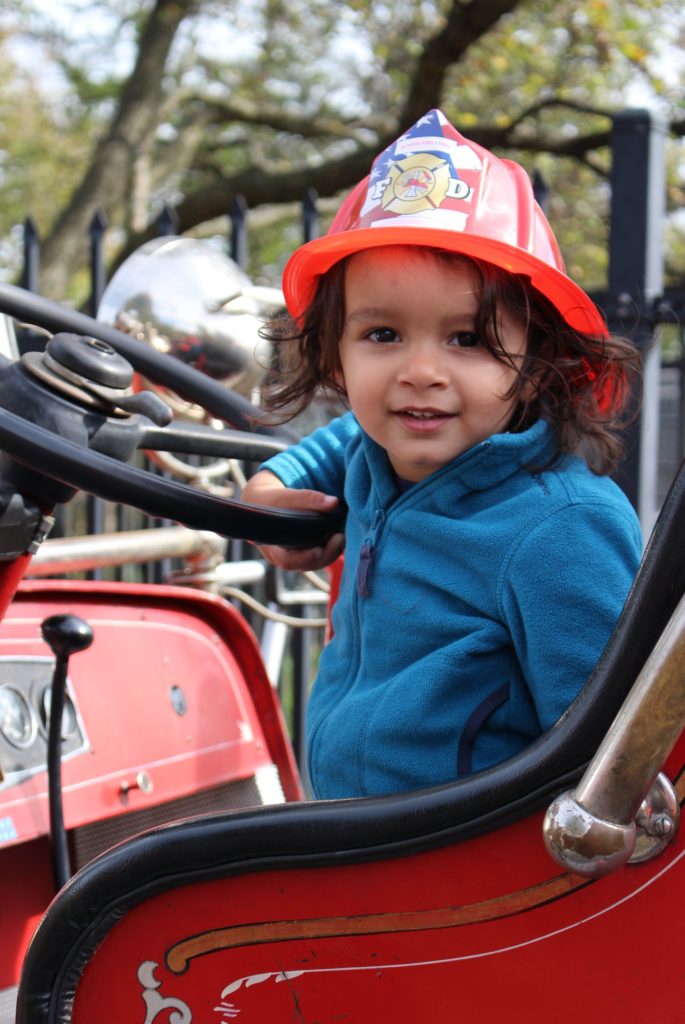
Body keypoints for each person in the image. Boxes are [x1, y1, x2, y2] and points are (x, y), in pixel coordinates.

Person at [242, 109, 643, 800]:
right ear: (333, 353)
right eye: (383, 334)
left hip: (461, 881)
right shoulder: (382, 449)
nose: (419, 371)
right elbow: (336, 443)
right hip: (350, 839)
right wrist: (268, 488)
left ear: (535, 357)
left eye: (466, 339)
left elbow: (609, 763)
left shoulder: (558, 529)